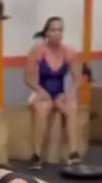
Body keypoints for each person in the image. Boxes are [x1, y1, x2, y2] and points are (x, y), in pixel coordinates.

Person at [25, 16, 83, 170]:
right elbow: (29, 79)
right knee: (43, 108)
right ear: (47, 33)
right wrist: (41, 92)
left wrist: (69, 94)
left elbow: (78, 80)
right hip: (40, 90)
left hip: (60, 93)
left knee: (71, 107)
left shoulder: (70, 52)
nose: (57, 33)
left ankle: (73, 152)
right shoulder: (37, 51)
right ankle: (36, 154)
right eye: (53, 30)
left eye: (60, 30)